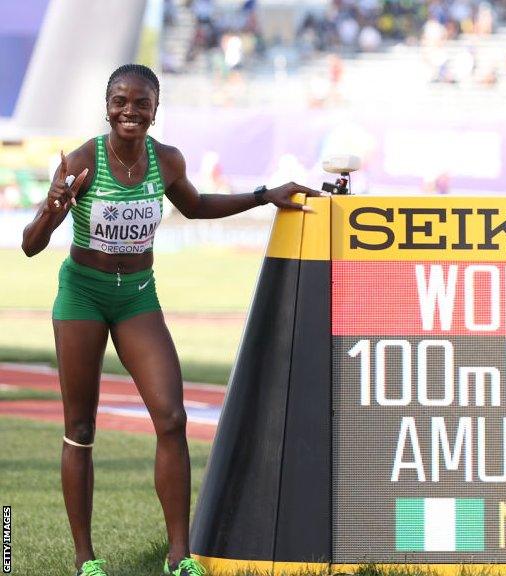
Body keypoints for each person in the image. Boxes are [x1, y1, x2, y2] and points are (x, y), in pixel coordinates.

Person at [20, 63, 321, 576]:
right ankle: (84, 559)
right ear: (107, 104)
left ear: (156, 110)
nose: (129, 111)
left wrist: (262, 196)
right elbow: (30, 245)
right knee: (79, 427)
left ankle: (179, 556)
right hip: (84, 297)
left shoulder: (167, 161)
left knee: (173, 418)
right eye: (120, 101)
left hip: (137, 296)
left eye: (141, 103)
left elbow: (198, 207)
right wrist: (52, 208)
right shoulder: (81, 160)